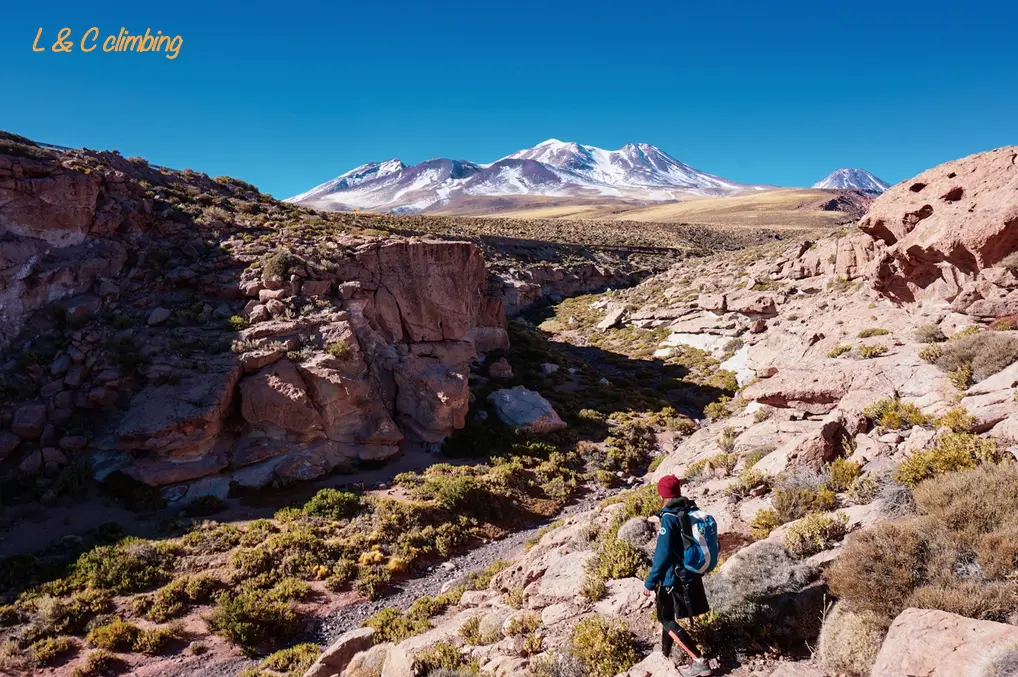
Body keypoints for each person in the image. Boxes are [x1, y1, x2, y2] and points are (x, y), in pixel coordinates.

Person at [642, 474, 713, 676]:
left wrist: (649, 582)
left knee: (665, 618)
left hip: (672, 578)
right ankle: (665, 653)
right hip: (688, 572)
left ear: (662, 494)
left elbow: (662, 555)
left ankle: (699, 661)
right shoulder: (689, 510)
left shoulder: (669, 517)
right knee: (667, 615)